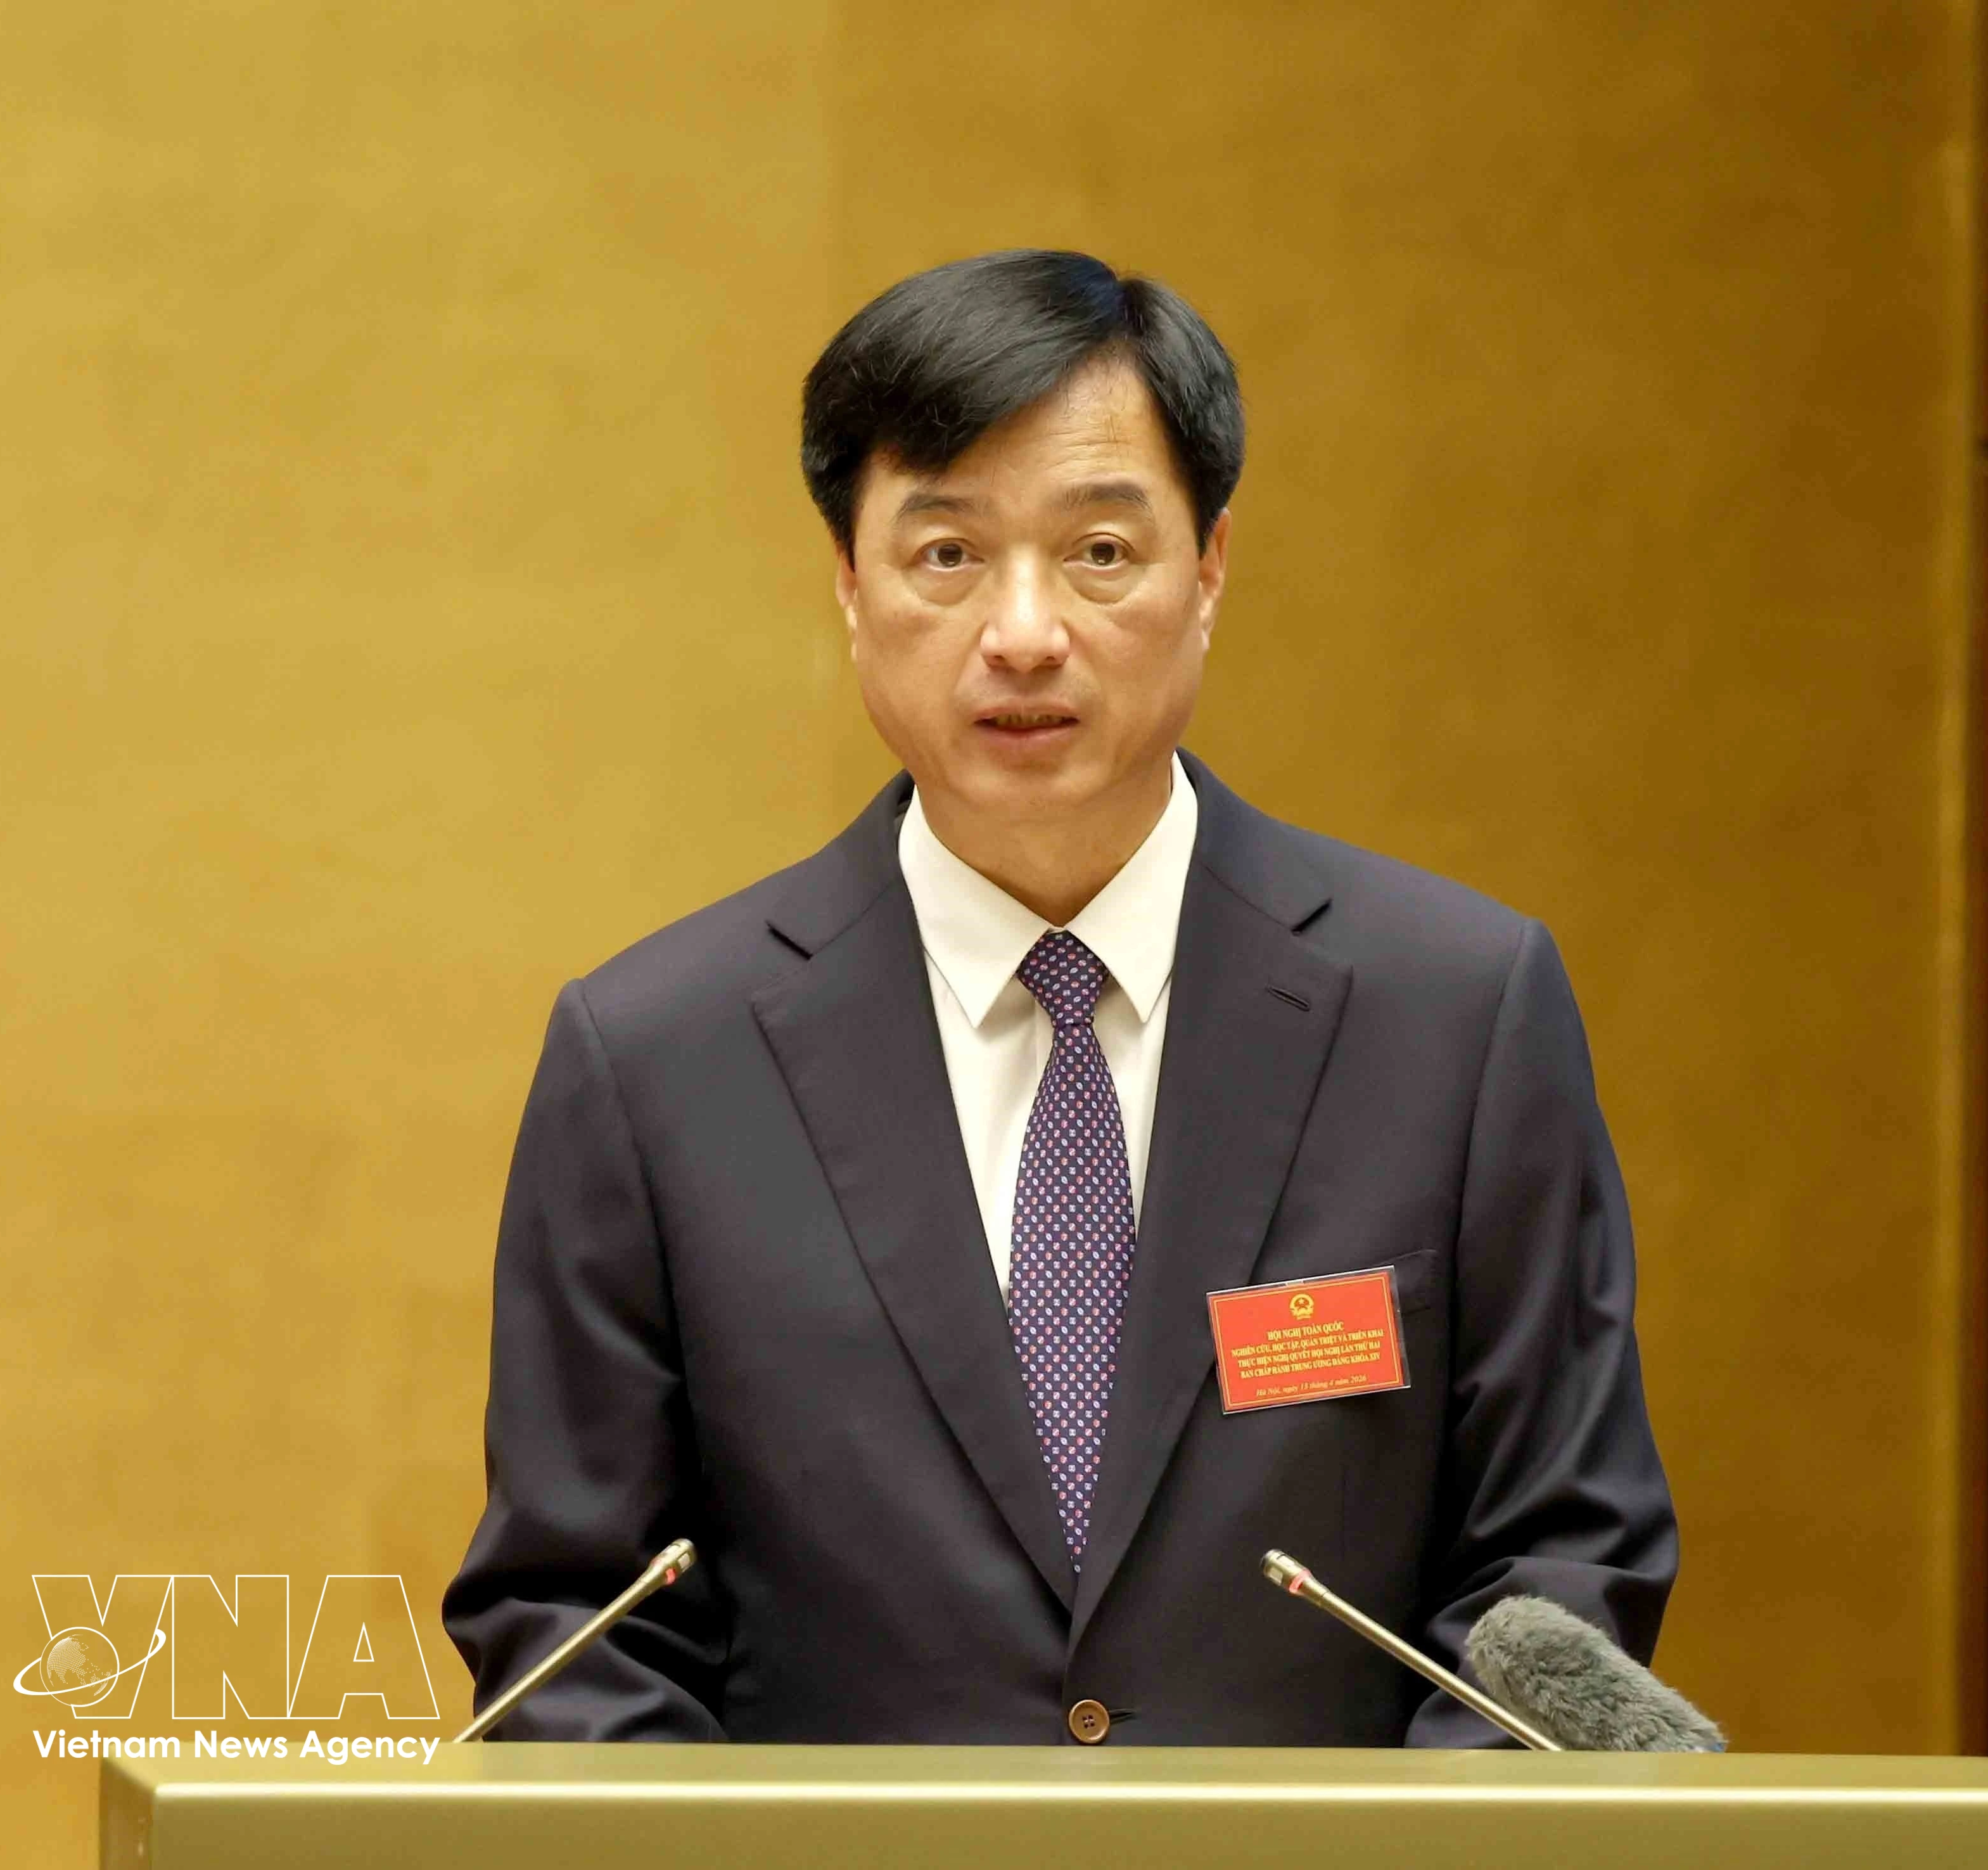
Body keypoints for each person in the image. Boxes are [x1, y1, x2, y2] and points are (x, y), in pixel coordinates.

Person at [443, 249, 1676, 1746]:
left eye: (1098, 550)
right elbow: (577, 1626)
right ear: (849, 584)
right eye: (946, 553)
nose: (1023, 631)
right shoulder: (655, 1061)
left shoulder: (1457, 1016)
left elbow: (1561, 1564)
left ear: (1208, 568)